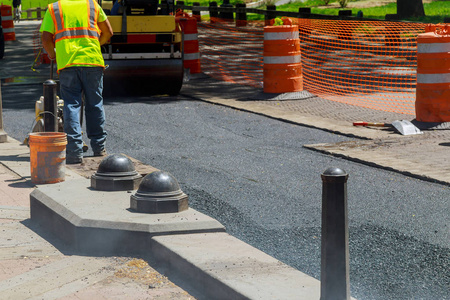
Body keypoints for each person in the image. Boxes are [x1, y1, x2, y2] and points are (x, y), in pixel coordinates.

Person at [40, 0, 114, 164]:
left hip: (68, 64)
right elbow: (108, 32)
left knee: (71, 105)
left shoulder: (55, 8)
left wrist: (53, 54)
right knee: (95, 104)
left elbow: (46, 38)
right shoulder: (92, 5)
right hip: (92, 61)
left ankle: (74, 152)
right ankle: (99, 148)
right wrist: (96, 44)